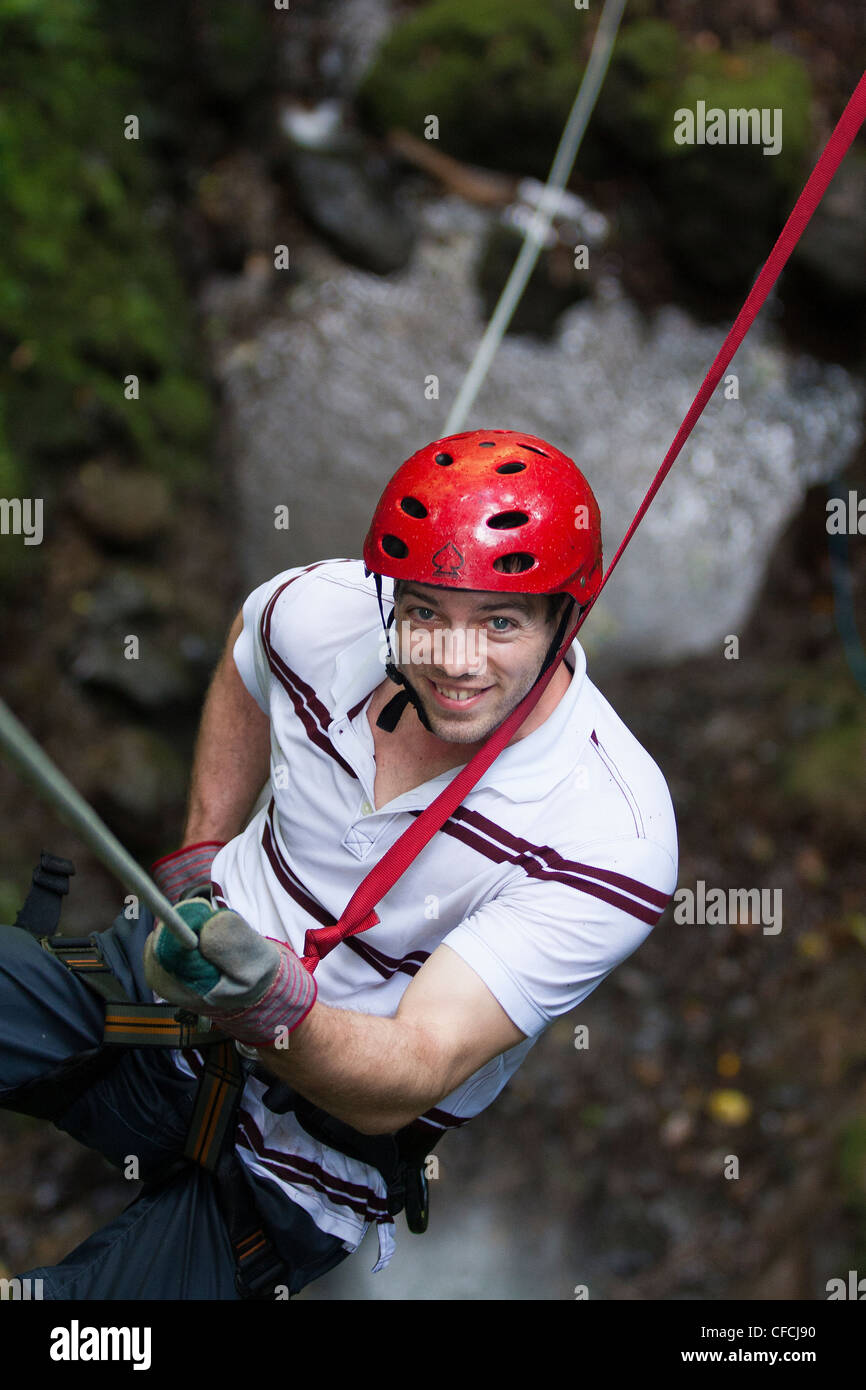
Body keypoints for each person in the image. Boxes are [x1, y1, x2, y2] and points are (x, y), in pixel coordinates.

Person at [0, 428, 677, 1299]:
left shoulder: (609, 833)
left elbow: (415, 1068)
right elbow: (255, 640)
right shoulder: (329, 612)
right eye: (426, 611)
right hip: (149, 996)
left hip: (299, 1162)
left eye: (499, 622)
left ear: (565, 619)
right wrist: (201, 858)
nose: (453, 661)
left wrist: (270, 1000)